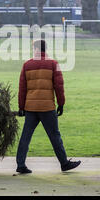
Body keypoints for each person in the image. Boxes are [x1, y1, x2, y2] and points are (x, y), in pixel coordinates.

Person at [16, 39, 81, 174]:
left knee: (26, 137)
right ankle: (64, 163)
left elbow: (22, 88)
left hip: (31, 108)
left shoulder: (27, 65)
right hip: (47, 107)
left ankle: (20, 164)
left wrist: (21, 107)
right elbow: (59, 86)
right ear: (45, 49)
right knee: (55, 136)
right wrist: (61, 103)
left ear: (36, 49)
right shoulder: (53, 64)